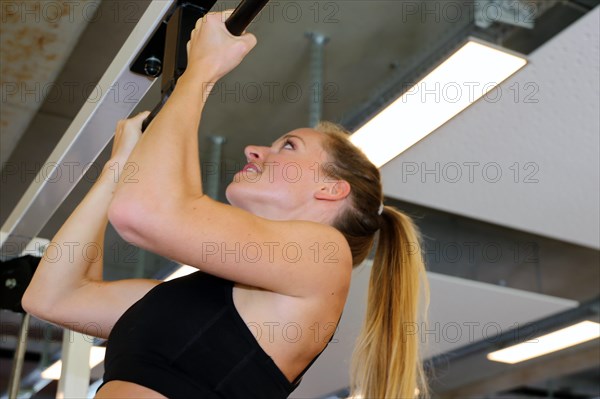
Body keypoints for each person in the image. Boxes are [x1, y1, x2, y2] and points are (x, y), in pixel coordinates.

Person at [22, 10, 430, 399]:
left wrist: (201, 72)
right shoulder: (186, 297)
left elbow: (147, 215)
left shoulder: (326, 256)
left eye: (288, 146)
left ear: (331, 189)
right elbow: (53, 297)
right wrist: (118, 167)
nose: (254, 150)